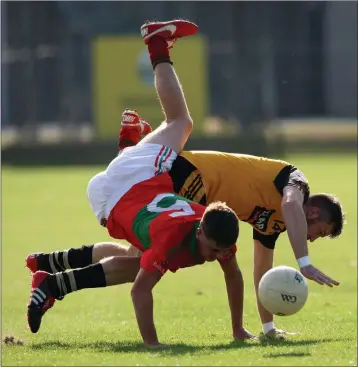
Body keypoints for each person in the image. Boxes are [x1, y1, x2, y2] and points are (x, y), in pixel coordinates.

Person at [27, 24, 344, 341]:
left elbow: (262, 275)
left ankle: (52, 268)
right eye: (321, 232)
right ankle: (152, 60)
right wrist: (303, 261)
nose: (315, 238)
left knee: (139, 254)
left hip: (164, 184)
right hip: (188, 177)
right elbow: (291, 205)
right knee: (179, 129)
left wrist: (267, 329)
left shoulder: (272, 224)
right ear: (314, 214)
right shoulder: (294, 182)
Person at [26, 19, 255, 348]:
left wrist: (238, 330)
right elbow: (140, 291)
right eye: (213, 249)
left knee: (136, 257)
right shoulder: (172, 239)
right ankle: (156, 46)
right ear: (200, 231)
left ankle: (51, 279)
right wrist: (153, 345)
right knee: (182, 122)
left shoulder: (215, 228)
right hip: (114, 192)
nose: (214, 256)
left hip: (134, 182)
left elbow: (233, 275)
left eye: (220, 251)